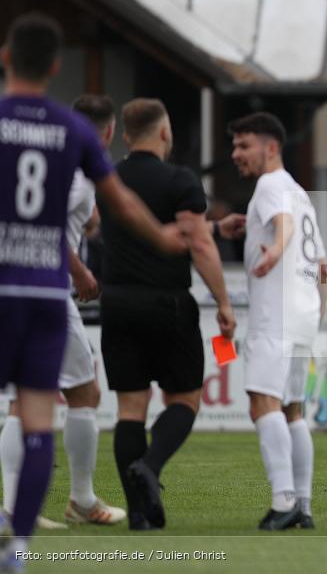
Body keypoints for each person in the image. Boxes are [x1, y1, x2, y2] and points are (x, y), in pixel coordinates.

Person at [0, 13, 186, 568]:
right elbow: (123, 201)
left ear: (6, 58)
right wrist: (164, 236)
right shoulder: (72, 131)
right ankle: (21, 548)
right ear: (56, 67)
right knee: (41, 412)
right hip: (41, 292)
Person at [99, 98, 239, 531]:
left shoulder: (109, 179)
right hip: (168, 304)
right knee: (184, 399)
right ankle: (151, 467)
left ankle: (139, 513)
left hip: (117, 302)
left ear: (126, 135)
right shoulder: (180, 179)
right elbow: (197, 244)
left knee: (130, 409)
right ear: (164, 133)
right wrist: (223, 301)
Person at [0, 95, 127, 529]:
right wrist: (81, 272)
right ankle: (81, 499)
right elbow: (50, 229)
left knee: (24, 399)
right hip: (47, 288)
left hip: (16, 285)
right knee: (85, 393)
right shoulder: (78, 169)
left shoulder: (51, 155)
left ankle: (17, 507)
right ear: (108, 132)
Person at [229, 112, 327, 530]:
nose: (236, 154)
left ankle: (283, 500)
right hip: (303, 314)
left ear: (271, 148)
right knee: (293, 410)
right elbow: (324, 267)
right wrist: (317, 314)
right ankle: (303, 506)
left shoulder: (269, 185)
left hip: (277, 314)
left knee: (261, 402)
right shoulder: (299, 192)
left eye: (244, 145)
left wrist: (272, 252)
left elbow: (283, 227)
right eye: (235, 145)